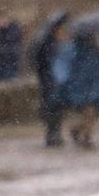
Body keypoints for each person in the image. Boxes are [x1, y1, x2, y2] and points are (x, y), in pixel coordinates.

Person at [54, 31, 99, 150]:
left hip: (91, 87)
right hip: (83, 88)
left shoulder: (93, 52)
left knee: (94, 113)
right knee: (90, 112)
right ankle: (87, 138)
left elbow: (98, 66)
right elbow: (69, 70)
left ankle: (78, 130)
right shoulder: (75, 52)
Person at [31, 12, 70, 147]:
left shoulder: (49, 42)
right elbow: (50, 62)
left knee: (55, 106)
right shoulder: (47, 43)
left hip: (51, 80)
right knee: (52, 105)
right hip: (50, 80)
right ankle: (53, 134)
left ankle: (54, 133)